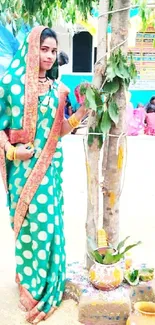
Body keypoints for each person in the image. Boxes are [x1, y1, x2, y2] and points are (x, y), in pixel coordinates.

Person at [0, 26, 87, 324]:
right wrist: (12, 152)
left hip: (49, 171)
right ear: (31, 48)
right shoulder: (9, 84)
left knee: (48, 225)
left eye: (53, 50)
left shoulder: (57, 89)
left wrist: (80, 114)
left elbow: (60, 130)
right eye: (44, 49)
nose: (49, 56)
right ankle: (29, 282)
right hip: (21, 172)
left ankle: (45, 282)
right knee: (26, 226)